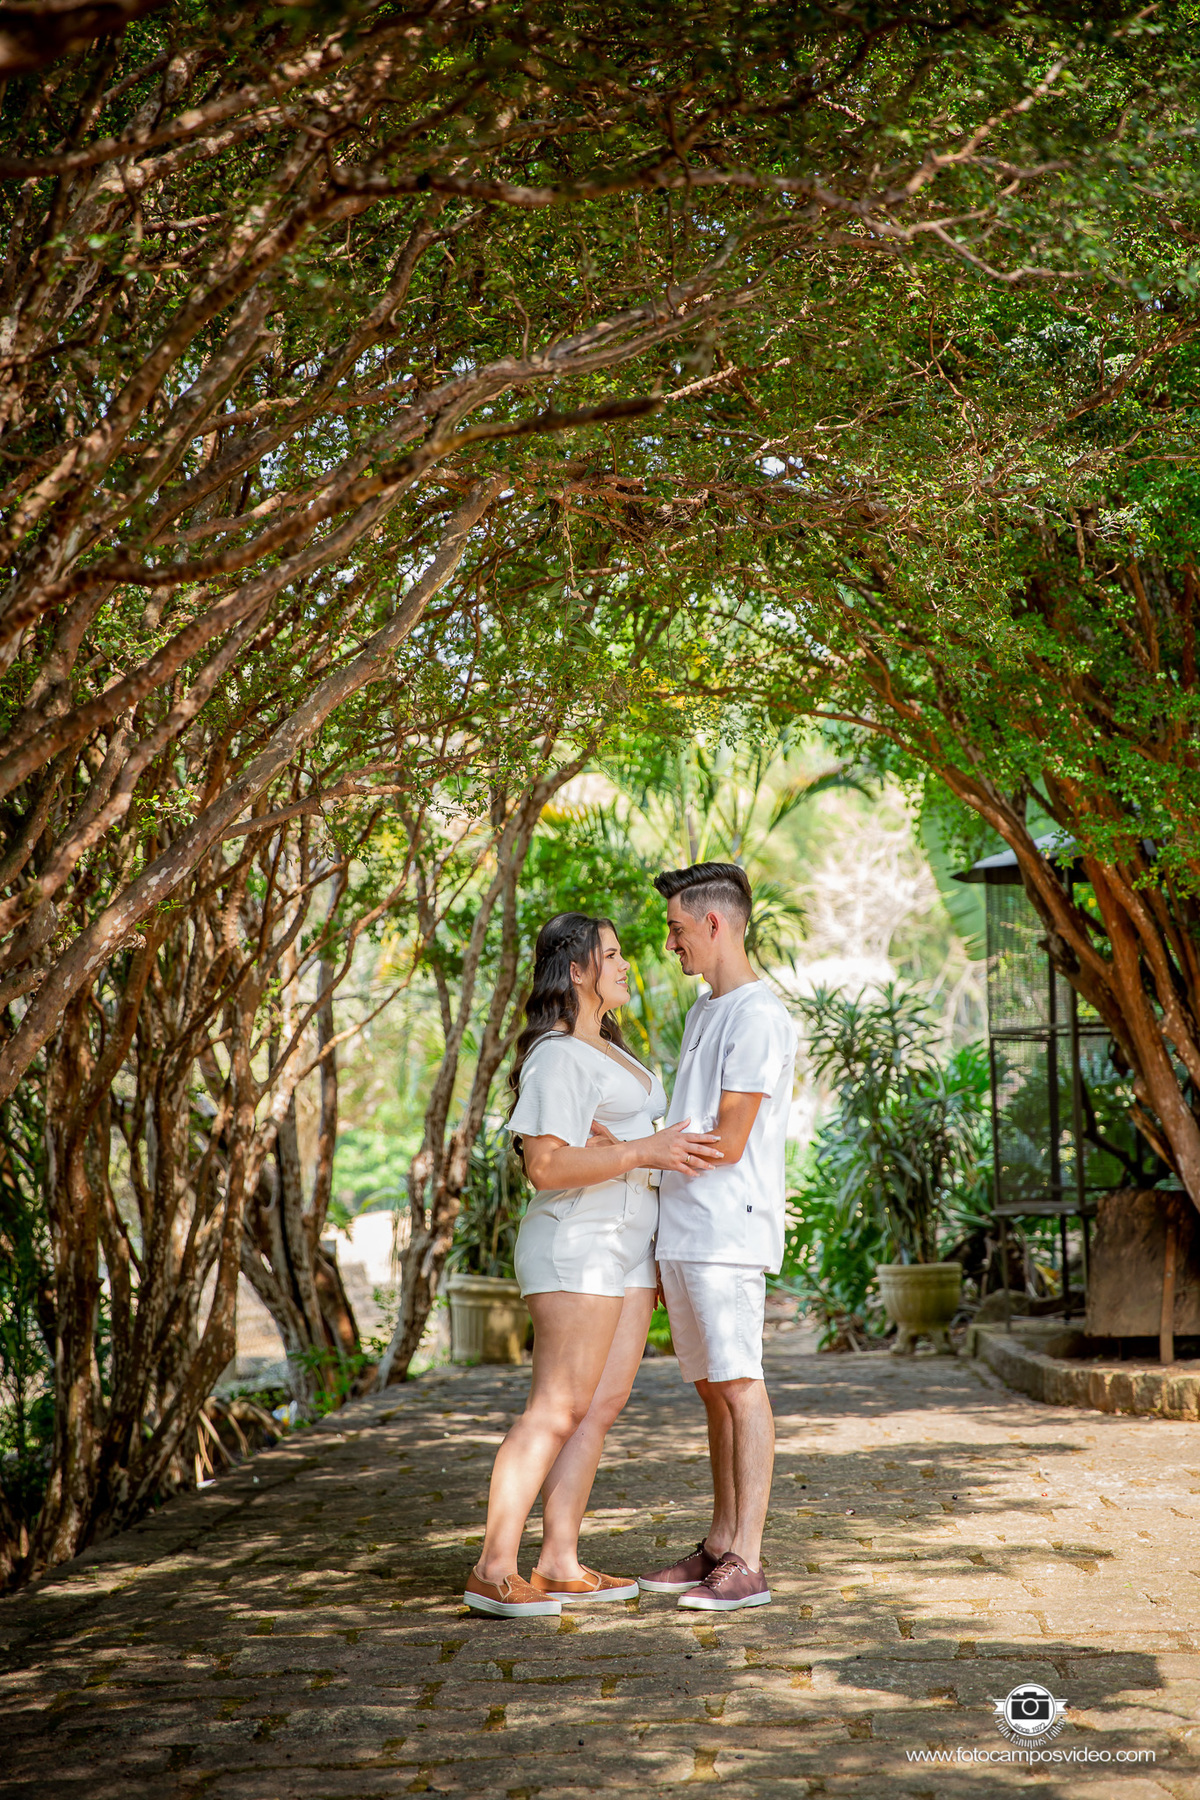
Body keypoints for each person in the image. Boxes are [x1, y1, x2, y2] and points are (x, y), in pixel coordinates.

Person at [463, 911, 722, 1619]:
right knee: (556, 1408)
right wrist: (643, 1151)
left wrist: (633, 1156)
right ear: (575, 971)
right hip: (578, 1244)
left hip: (627, 1248)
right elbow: (545, 1166)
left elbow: (611, 1144)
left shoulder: (607, 1050)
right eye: (610, 954)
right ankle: (492, 1568)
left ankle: (558, 1562)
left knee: (599, 1406)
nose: (626, 963)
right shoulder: (556, 1055)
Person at [638, 862, 798, 1613]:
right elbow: (695, 1127)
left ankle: (749, 1562)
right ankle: (719, 1544)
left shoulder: (759, 1015)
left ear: (714, 923)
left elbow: (728, 1140)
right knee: (712, 1391)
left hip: (727, 1231)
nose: (671, 945)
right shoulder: (707, 1009)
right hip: (686, 1230)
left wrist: (642, 1148)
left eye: (676, 930)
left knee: (740, 1383)